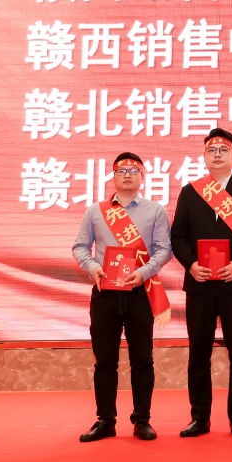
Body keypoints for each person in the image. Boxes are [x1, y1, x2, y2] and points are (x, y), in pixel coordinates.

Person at [169, 128, 232, 438]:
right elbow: (178, 237)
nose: (217, 155)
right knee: (199, 353)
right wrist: (191, 264)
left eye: (223, 150)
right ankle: (200, 417)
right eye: (212, 150)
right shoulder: (190, 192)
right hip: (199, 284)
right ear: (204, 156)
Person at [72, 152, 172, 442]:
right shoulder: (95, 211)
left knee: (142, 359)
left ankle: (142, 420)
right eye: (121, 170)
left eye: (133, 170)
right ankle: (105, 420)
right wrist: (93, 267)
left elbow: (164, 250)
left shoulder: (156, 211)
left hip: (140, 293)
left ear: (142, 177)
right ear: (113, 177)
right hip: (105, 294)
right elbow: (80, 247)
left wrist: (143, 272)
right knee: (105, 361)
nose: (127, 175)